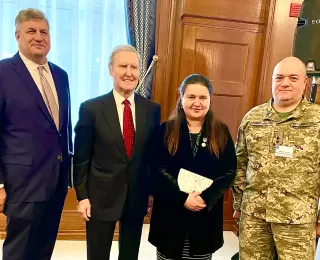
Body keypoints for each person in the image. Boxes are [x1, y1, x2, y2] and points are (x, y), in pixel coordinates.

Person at [73, 44, 161, 260]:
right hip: (100, 196)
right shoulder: (91, 108)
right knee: (98, 254)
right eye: (123, 66)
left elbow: (152, 157)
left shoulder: (152, 110)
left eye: (134, 67)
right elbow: (81, 157)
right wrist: (82, 196)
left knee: (130, 254)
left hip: (137, 196)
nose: (129, 72)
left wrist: (151, 193)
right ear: (111, 69)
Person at [0, 8, 72, 260]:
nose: (39, 36)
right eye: (31, 31)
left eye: (44, 31)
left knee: (44, 250)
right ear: (17, 35)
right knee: (19, 252)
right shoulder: (3, 73)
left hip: (56, 182)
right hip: (21, 184)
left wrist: (69, 174)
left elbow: (63, 130)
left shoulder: (61, 76)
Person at [232, 56, 320, 260]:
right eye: (279, 77)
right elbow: (239, 164)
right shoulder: (253, 118)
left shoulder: (317, 120)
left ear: (305, 83)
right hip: (254, 217)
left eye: (293, 78)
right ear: (272, 81)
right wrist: (239, 205)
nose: (285, 83)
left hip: (297, 220)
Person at [148, 74, 237, 260]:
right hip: (170, 213)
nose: (197, 103)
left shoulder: (221, 132)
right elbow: (155, 169)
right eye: (191, 97)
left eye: (203, 97)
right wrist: (182, 198)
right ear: (181, 99)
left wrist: (205, 197)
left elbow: (228, 171)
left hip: (204, 213)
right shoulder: (165, 130)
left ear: (210, 100)